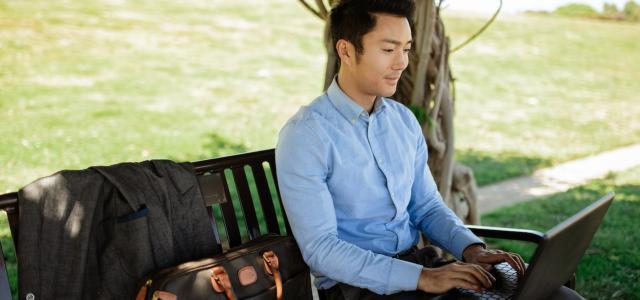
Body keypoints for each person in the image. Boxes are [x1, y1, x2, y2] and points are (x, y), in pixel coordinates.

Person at [275, 0, 536, 298]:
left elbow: (426, 206)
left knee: (548, 292)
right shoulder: (306, 135)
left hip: (420, 267)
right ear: (346, 51)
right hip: (357, 288)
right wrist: (422, 278)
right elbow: (321, 248)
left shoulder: (402, 121)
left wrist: (471, 249)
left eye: (407, 49)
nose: (401, 62)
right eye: (388, 50)